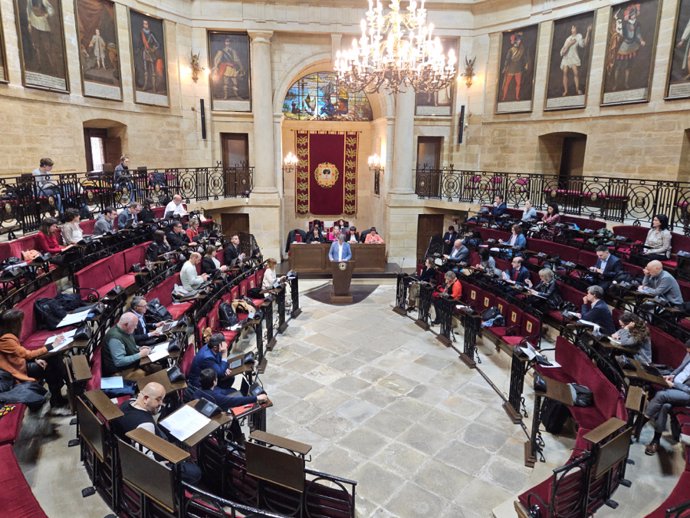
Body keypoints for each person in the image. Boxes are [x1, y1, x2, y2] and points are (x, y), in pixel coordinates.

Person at [112, 382, 202, 484]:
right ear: (145, 398)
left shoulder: (127, 403)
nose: (161, 403)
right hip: (145, 466)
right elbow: (147, 460)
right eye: (158, 399)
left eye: (162, 399)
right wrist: (162, 466)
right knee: (195, 472)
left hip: (126, 452)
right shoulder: (145, 426)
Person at [0, 309, 68, 412]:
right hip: (16, 371)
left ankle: (58, 395)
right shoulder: (6, 339)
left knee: (53, 361)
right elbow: (28, 354)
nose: (22, 325)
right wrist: (52, 345)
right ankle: (61, 393)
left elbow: (21, 354)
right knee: (52, 364)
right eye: (20, 323)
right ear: (14, 325)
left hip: (20, 364)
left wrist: (36, 359)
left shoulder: (8, 336)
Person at [642, 340, 690, 456]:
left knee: (661, 395)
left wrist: (674, 385)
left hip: (687, 393)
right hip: (676, 387)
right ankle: (656, 440)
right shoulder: (689, 354)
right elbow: (681, 370)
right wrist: (671, 376)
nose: (687, 352)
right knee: (665, 405)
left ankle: (641, 422)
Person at [102, 314, 156, 381]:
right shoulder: (115, 338)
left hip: (130, 364)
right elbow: (119, 361)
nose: (136, 327)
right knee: (150, 377)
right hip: (119, 371)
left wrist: (139, 348)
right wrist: (140, 354)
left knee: (153, 368)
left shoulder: (126, 330)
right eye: (134, 325)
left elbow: (127, 344)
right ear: (126, 324)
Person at [559, 23, 592, 96]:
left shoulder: (578, 36)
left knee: (576, 73)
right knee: (565, 73)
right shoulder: (568, 38)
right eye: (572, 28)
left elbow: (584, 44)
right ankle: (565, 91)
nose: (572, 29)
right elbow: (563, 50)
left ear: (576, 29)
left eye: (574, 28)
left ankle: (577, 89)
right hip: (566, 57)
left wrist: (588, 32)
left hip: (573, 56)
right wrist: (569, 44)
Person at [501, 32, 529, 102]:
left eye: (520, 40)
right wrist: (505, 67)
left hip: (518, 68)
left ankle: (517, 96)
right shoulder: (511, 50)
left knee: (518, 84)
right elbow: (507, 60)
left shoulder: (522, 49)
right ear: (515, 41)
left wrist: (526, 64)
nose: (519, 41)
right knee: (507, 83)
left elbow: (524, 57)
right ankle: (504, 97)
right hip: (511, 68)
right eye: (518, 40)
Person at [140, 19, 161, 92]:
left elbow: (157, 44)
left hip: (151, 54)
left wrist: (153, 49)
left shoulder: (151, 34)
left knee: (153, 72)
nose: (145, 25)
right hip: (145, 53)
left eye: (146, 24)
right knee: (145, 71)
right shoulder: (142, 33)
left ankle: (154, 87)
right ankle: (145, 85)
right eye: (144, 24)